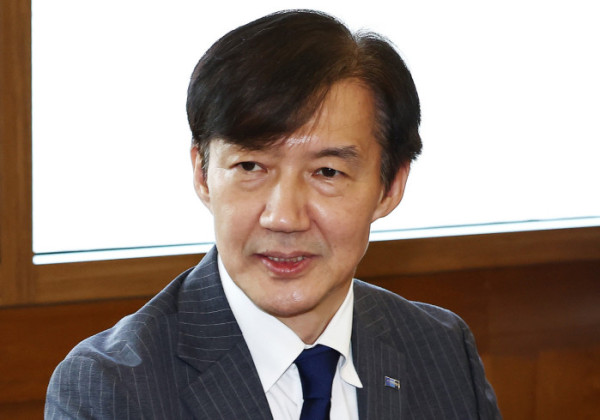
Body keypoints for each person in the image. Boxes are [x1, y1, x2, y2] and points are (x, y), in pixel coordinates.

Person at [45, 9, 501, 420]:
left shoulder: (441, 348)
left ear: (391, 186)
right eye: (251, 167)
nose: (284, 218)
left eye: (327, 172)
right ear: (202, 174)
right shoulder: (112, 389)